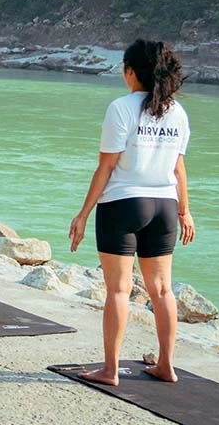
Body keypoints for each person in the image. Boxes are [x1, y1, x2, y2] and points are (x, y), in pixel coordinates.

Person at [69, 39, 194, 387]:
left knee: (119, 291)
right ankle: (167, 366)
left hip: (123, 204)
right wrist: (185, 212)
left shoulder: (121, 108)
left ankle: (110, 370)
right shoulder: (177, 113)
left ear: (131, 72)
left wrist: (82, 214)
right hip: (165, 207)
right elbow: (179, 170)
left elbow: (106, 168)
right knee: (163, 291)